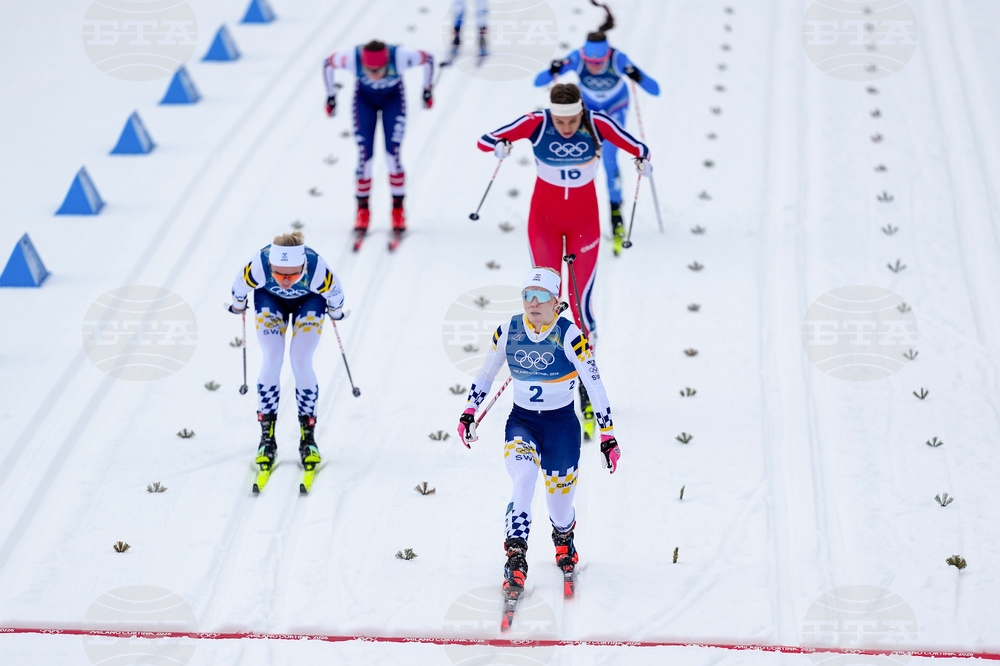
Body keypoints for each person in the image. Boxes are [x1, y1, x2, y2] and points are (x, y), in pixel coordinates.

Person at [456, 267, 621, 599]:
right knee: (524, 479)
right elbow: (487, 373)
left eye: (541, 296)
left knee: (560, 508)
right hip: (523, 424)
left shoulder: (571, 335)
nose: (533, 303)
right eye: (527, 295)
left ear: (555, 301)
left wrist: (607, 435)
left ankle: (564, 539)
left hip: (562, 427)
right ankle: (515, 558)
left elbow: (595, 385)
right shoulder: (508, 331)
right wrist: (469, 411)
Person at [477, 83, 650, 343]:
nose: (566, 128)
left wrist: (642, 161)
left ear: (581, 111)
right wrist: (500, 145)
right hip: (544, 222)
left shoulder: (596, 123)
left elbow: (639, 147)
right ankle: (547, 354)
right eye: (559, 121)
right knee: (544, 295)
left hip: (584, 223)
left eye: (572, 120)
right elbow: (484, 141)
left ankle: (586, 362)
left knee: (579, 299)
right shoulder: (536, 123)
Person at [533, 0, 659, 252]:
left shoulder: (618, 58)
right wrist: (553, 69)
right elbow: (539, 82)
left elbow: (654, 89)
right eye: (591, 62)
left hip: (614, 110)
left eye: (599, 62)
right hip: (587, 113)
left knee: (610, 158)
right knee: (582, 157)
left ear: (607, 55)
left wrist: (637, 75)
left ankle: (616, 214)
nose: (594, 66)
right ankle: (569, 212)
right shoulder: (577, 57)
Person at [229, 231, 345, 469]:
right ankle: (267, 439)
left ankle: (308, 438)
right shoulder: (258, 266)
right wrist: (238, 305)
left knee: (300, 360)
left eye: (292, 275)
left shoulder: (318, 271)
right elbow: (238, 290)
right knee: (272, 356)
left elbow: (336, 296)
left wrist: (335, 311)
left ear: (303, 265)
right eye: (278, 274)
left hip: (311, 301)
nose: (285, 280)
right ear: (270, 266)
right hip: (270, 301)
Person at [323, 40, 434, 243]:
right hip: (364, 101)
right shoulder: (351, 58)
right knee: (365, 157)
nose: (374, 75)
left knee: (393, 156)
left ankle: (398, 210)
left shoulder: (401, 57)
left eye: (380, 70)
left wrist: (427, 89)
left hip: (393, 100)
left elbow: (428, 59)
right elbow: (328, 64)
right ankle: (362, 211)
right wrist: (331, 97)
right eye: (368, 70)